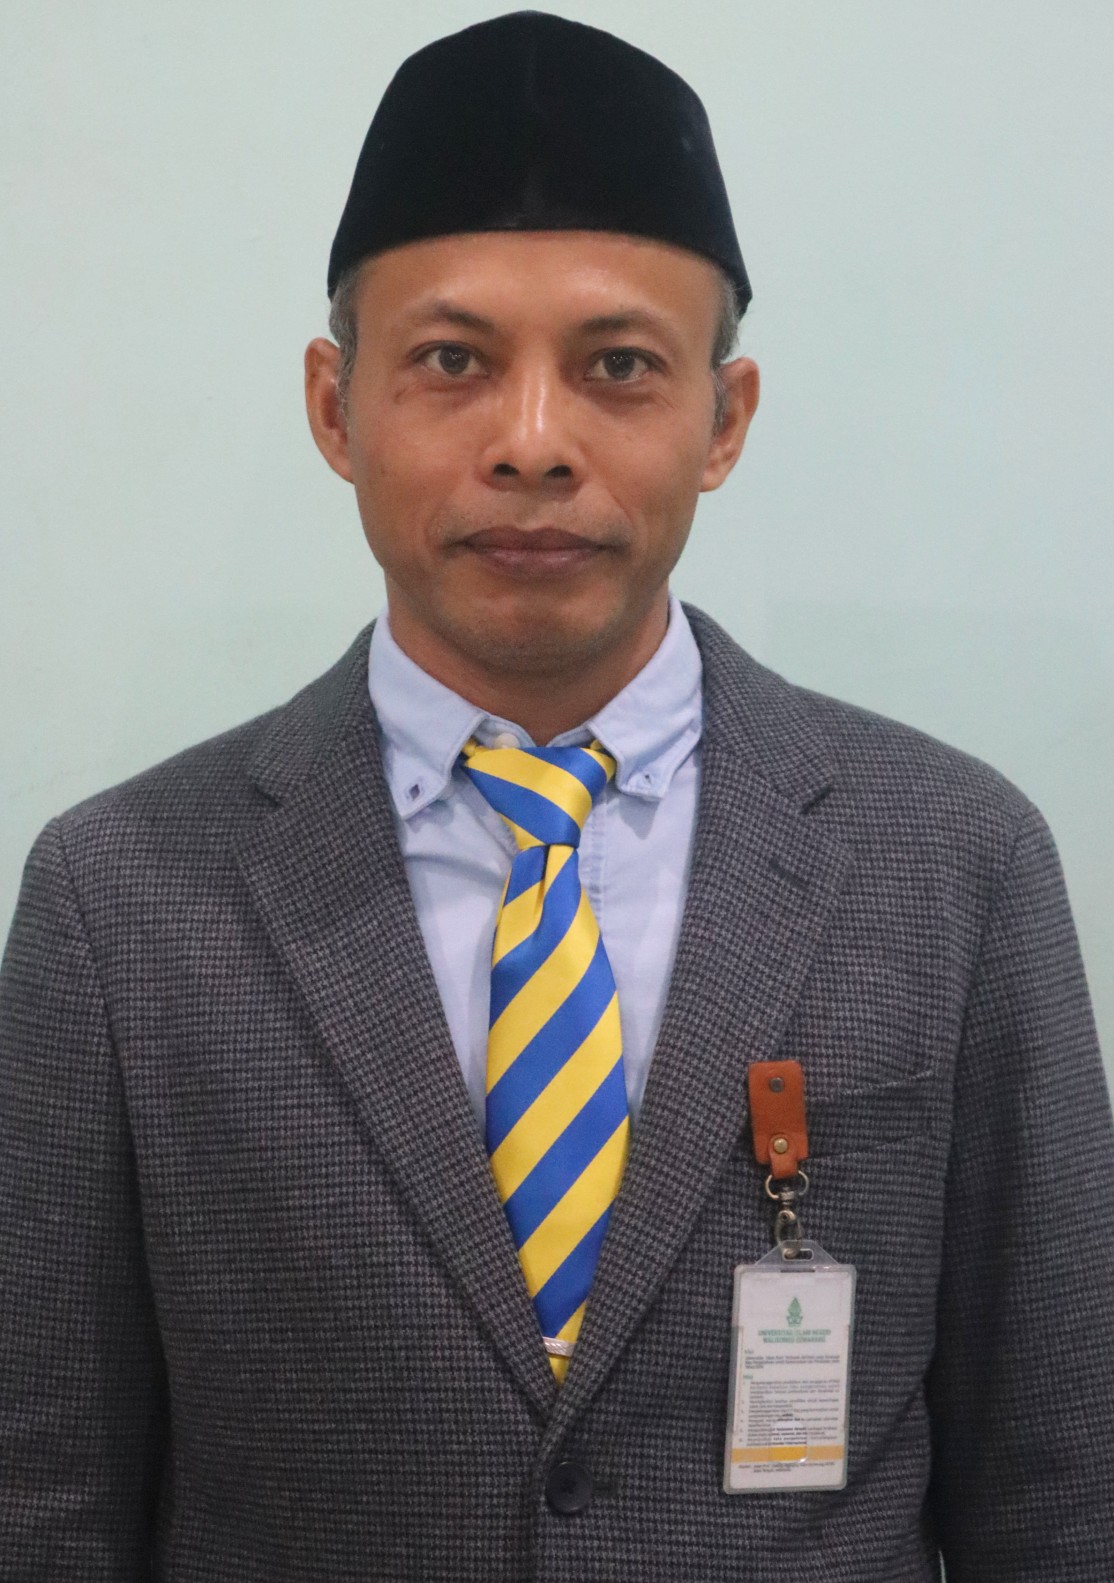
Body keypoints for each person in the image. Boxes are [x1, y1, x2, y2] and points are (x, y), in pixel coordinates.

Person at [2, 11, 1111, 1580]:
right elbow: (45, 1495)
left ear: (723, 418)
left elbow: (1062, 1487)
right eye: (452, 362)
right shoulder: (118, 898)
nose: (532, 444)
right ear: (335, 407)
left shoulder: (951, 862)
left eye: (619, 368)